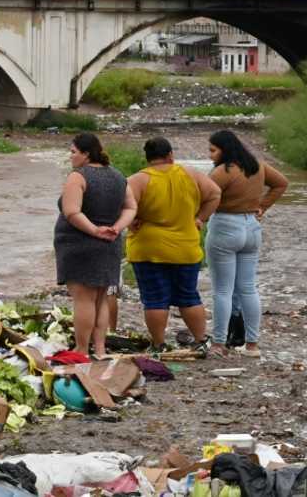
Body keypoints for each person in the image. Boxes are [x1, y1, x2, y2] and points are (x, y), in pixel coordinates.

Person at [126, 137, 221, 353]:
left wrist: (132, 223)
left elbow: (122, 205)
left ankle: (159, 344)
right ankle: (200, 341)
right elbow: (215, 193)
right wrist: (200, 218)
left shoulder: (138, 180)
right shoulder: (191, 174)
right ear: (170, 155)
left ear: (147, 158)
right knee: (188, 296)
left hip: (148, 247)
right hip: (185, 246)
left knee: (155, 299)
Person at [205, 130, 288, 358]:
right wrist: (263, 205)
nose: (211, 155)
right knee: (248, 288)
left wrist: (198, 217)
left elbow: (204, 194)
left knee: (222, 290)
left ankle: (219, 343)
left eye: (213, 150)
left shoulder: (223, 171)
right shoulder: (257, 165)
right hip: (251, 226)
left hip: (225, 225)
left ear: (225, 149)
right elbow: (281, 183)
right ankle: (252, 344)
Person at [54, 133, 136, 357]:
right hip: (110, 244)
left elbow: (71, 211)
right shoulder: (118, 176)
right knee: (101, 299)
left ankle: (81, 349)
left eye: (73, 152)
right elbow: (131, 207)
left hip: (80, 244)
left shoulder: (78, 176)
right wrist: (117, 227)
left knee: (83, 299)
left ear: (86, 154)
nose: (70, 157)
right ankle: (99, 348)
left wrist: (94, 230)